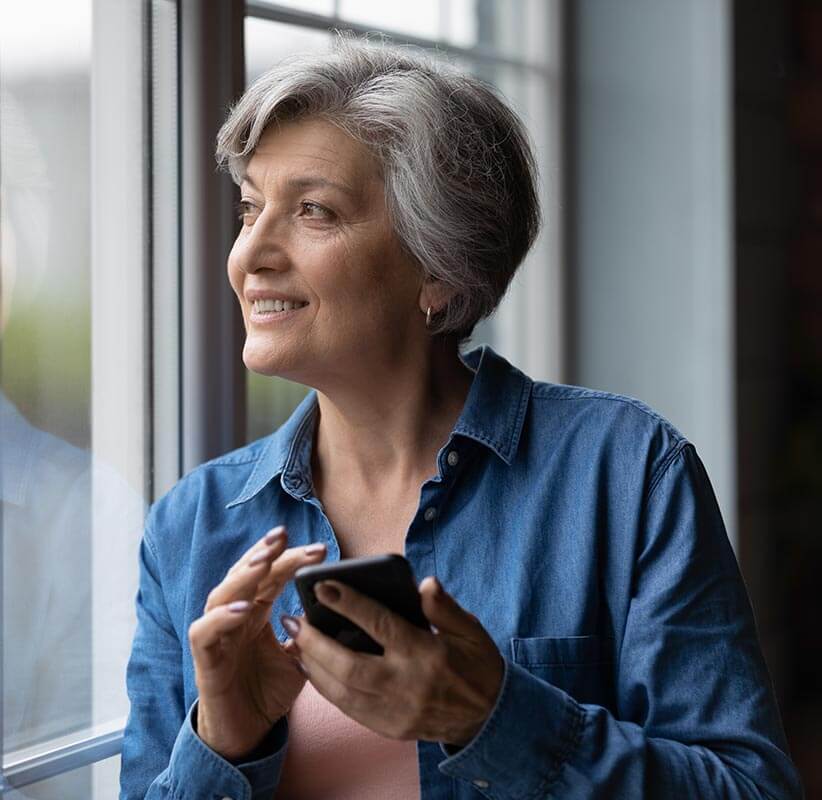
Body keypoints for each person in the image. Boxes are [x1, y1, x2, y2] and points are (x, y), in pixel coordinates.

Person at [119, 36, 802, 800]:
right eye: (251, 208)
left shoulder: (628, 471)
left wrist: (492, 716)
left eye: (313, 210)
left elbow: (752, 788)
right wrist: (223, 743)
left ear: (439, 270)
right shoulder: (189, 528)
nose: (250, 254)